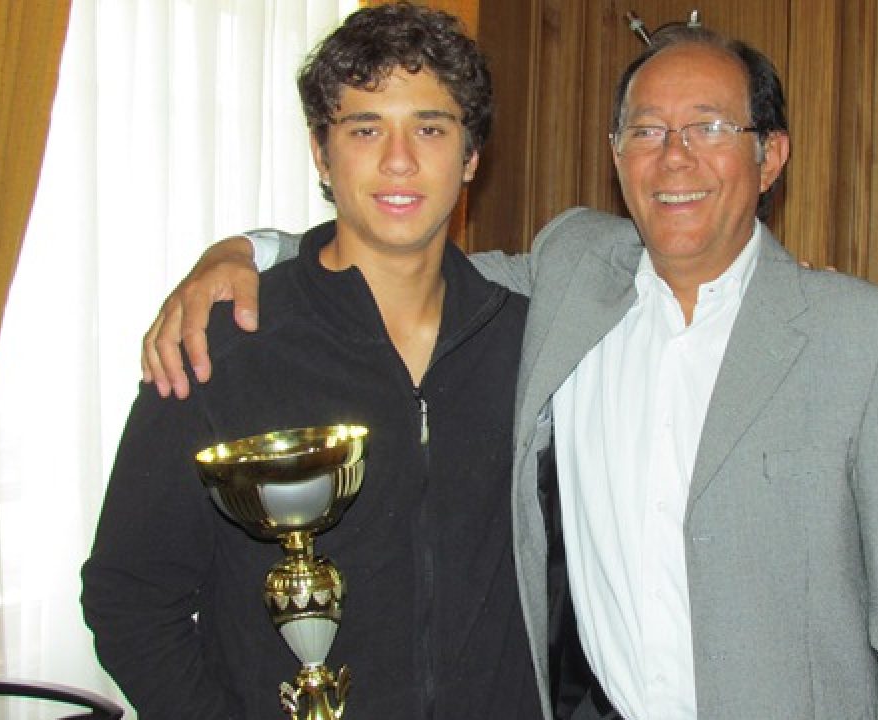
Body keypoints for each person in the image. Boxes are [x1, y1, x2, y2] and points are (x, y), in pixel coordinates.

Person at [143, 24, 878, 720]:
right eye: (646, 131)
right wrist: (247, 251)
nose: (674, 158)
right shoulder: (571, 277)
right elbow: (394, 251)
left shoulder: (865, 339)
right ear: (616, 154)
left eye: (710, 127)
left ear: (771, 155)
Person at [80, 5, 538, 719]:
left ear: (471, 154)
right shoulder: (219, 347)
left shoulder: (528, 344)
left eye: (430, 128)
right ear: (322, 155)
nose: (399, 159)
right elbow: (129, 596)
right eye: (365, 129)